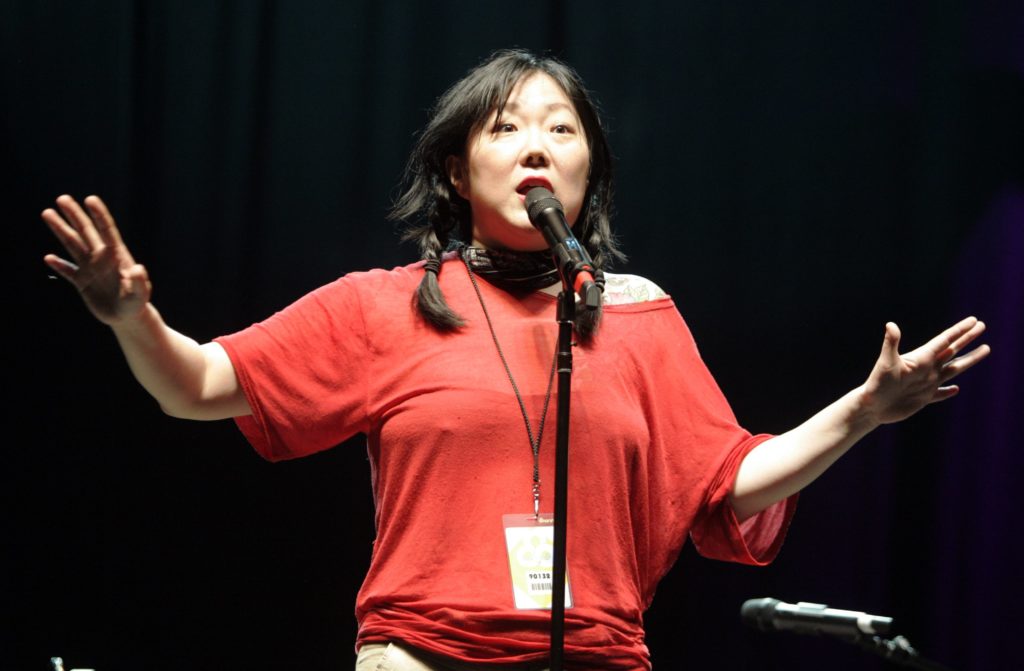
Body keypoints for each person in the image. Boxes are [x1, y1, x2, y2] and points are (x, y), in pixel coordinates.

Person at [40, 49, 989, 671]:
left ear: (588, 172)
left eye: (561, 128)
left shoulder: (638, 312)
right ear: (458, 171)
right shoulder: (386, 304)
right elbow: (200, 385)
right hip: (422, 655)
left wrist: (861, 411)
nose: (535, 141)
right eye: (504, 127)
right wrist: (135, 317)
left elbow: (732, 478)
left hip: (599, 655)